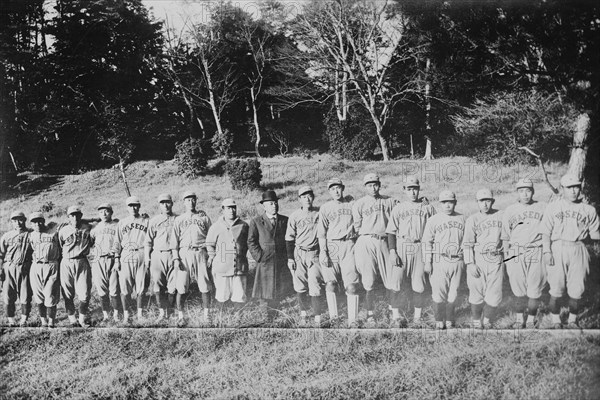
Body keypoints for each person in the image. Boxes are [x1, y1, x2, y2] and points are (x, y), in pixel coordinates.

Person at [540, 174, 600, 328]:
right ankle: (555, 321)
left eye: (576, 187)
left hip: (579, 247)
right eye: (569, 187)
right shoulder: (553, 207)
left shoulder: (589, 209)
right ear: (562, 189)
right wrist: (547, 252)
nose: (573, 191)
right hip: (558, 247)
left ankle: (573, 320)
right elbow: (545, 232)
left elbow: (595, 236)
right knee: (556, 287)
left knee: (577, 288)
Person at [386, 175, 436, 325]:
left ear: (419, 189)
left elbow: (434, 229)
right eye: (409, 189)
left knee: (419, 283)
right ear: (404, 190)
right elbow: (391, 231)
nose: (412, 192)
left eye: (415, 189)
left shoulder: (428, 207)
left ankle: (417, 317)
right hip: (402, 245)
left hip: (420, 245)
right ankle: (395, 316)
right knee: (396, 282)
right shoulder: (399, 208)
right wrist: (393, 251)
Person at [501, 178, 547, 329]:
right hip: (516, 250)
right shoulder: (510, 210)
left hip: (536, 249)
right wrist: (507, 256)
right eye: (521, 191)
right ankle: (520, 319)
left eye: (528, 190)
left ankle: (531, 319)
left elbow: (548, 232)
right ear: (517, 193)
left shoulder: (543, 207)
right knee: (518, 287)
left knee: (535, 287)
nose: (525, 194)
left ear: (533, 192)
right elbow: (505, 236)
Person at [352, 173, 396, 324]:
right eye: (369, 185)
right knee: (368, 280)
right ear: (365, 187)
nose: (373, 187)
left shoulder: (389, 201)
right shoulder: (360, 203)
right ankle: (370, 314)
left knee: (390, 278)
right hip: (366, 240)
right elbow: (356, 226)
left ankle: (392, 311)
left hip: (384, 240)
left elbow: (401, 210)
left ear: (380, 184)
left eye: (375, 184)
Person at [422, 190, 466, 329]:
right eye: (444, 202)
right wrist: (427, 261)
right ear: (440, 204)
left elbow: (468, 241)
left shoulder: (463, 218)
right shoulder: (434, 219)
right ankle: (439, 319)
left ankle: (450, 319)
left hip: (457, 259)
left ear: (455, 203)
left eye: (451, 202)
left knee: (454, 292)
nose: (448, 205)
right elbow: (427, 242)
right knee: (439, 292)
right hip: (440, 259)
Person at [318, 178, 359, 325]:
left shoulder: (352, 204)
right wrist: (323, 252)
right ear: (329, 191)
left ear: (343, 188)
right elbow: (321, 233)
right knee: (330, 283)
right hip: (331, 245)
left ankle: (353, 321)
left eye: (338, 188)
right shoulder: (325, 208)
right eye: (332, 189)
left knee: (352, 286)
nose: (336, 191)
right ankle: (334, 319)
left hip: (349, 244)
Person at [463, 189, 504, 329]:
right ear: (477, 202)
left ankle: (487, 320)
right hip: (478, 257)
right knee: (476, 291)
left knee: (495, 292)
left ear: (492, 201)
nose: (485, 204)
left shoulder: (501, 215)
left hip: (495, 257)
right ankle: (475, 321)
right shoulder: (472, 219)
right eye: (482, 201)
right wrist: (470, 263)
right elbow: (467, 244)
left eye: (488, 201)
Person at [247, 190, 290, 321]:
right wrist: (259, 256)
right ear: (264, 206)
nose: (274, 206)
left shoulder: (284, 220)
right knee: (265, 288)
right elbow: (251, 241)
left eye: (275, 203)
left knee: (279, 286)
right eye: (270, 203)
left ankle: (276, 309)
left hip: (281, 260)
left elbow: (289, 239)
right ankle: (266, 314)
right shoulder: (256, 221)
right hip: (265, 260)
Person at [171, 191, 212, 324]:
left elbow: (211, 238)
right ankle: (181, 316)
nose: (190, 202)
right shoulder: (179, 219)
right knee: (181, 286)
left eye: (193, 199)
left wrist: (210, 255)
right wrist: (176, 258)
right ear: (184, 202)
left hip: (200, 251)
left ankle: (207, 315)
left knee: (205, 284)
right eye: (187, 200)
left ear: (196, 200)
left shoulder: (204, 217)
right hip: (185, 253)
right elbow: (174, 241)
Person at [286, 186, 324, 325]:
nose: (307, 199)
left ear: (313, 197)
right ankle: (303, 314)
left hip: (314, 252)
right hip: (299, 252)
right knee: (300, 284)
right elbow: (289, 238)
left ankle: (318, 317)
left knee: (315, 284)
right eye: (303, 197)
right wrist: (290, 258)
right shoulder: (295, 216)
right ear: (299, 199)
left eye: (309, 196)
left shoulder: (319, 213)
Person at [206, 198, 249, 312]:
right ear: (223, 209)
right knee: (222, 294)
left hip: (239, 266)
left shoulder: (243, 225)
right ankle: (221, 318)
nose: (232, 211)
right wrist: (212, 256)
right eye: (229, 208)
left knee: (239, 294)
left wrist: (242, 255)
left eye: (234, 208)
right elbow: (210, 244)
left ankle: (238, 318)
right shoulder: (216, 226)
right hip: (222, 267)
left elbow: (248, 243)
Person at [112, 196, 149, 323]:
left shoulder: (146, 220)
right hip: (126, 254)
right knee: (125, 287)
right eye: (130, 206)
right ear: (127, 208)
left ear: (139, 206)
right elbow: (117, 242)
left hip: (141, 253)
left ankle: (140, 315)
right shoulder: (122, 222)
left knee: (141, 286)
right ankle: (127, 315)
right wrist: (116, 259)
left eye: (135, 205)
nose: (133, 208)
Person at [58, 206, 93, 327]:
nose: (75, 218)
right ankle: (72, 320)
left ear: (81, 216)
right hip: (66, 262)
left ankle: (82, 319)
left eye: (77, 215)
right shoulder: (63, 230)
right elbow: (59, 246)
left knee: (84, 293)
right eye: (72, 215)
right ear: (68, 217)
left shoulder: (88, 228)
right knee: (68, 293)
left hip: (82, 261)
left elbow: (102, 222)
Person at [145, 194, 178, 323]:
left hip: (173, 254)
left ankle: (170, 310)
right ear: (159, 205)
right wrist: (147, 258)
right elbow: (148, 241)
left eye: (168, 202)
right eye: (162, 203)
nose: (165, 205)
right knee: (158, 284)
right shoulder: (154, 220)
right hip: (158, 255)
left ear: (172, 203)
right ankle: (161, 312)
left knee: (173, 284)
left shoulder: (178, 219)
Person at [28, 212, 60, 328]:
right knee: (38, 295)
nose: (37, 224)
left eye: (39, 221)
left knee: (50, 294)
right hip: (36, 266)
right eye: (34, 222)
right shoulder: (31, 235)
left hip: (51, 265)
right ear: (31, 224)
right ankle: (43, 321)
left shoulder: (54, 230)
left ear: (44, 221)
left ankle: (51, 322)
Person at [0, 211, 32, 327]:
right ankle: (11, 320)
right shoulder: (7, 236)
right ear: (12, 222)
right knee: (8, 295)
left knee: (25, 294)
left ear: (25, 220)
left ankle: (24, 320)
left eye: (20, 220)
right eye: (14, 221)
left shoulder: (31, 234)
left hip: (24, 266)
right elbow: (1, 254)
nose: (18, 223)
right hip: (9, 267)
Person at [90, 203, 121, 323]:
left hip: (112, 258)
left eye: (106, 211)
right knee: (101, 289)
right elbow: (90, 241)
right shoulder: (95, 228)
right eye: (101, 211)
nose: (104, 214)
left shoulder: (117, 225)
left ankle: (116, 315)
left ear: (111, 212)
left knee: (114, 288)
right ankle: (106, 315)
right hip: (98, 260)